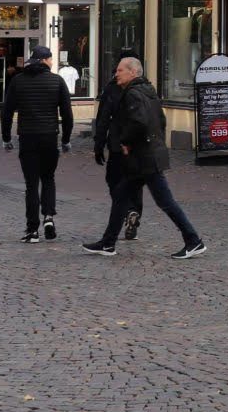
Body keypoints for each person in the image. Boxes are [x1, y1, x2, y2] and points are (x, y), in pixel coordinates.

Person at [84, 57, 206, 259]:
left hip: (145, 158)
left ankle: (193, 240)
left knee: (165, 202)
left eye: (121, 70)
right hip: (145, 157)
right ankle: (108, 243)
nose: (116, 73)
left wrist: (126, 141)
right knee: (122, 196)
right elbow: (161, 121)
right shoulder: (148, 91)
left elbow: (139, 123)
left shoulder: (133, 93)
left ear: (133, 72)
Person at [1, 45, 73, 243]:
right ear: (44, 60)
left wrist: (6, 137)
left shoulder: (18, 81)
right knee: (48, 177)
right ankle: (48, 217)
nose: (52, 62)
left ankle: (32, 229)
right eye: (50, 59)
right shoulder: (56, 81)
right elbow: (67, 114)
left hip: (28, 137)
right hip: (50, 136)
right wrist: (66, 139)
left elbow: (6, 112)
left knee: (31, 184)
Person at [90, 48, 144, 242]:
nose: (117, 72)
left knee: (115, 181)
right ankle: (132, 211)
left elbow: (103, 117)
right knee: (135, 183)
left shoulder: (113, 88)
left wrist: (98, 144)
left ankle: (125, 211)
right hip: (137, 146)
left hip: (117, 144)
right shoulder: (145, 88)